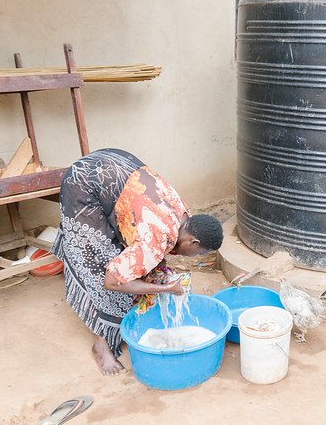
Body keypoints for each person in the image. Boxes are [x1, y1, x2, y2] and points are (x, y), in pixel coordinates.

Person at [50, 148, 223, 375]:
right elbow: (112, 281)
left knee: (135, 261)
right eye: (200, 253)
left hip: (113, 167)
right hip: (84, 183)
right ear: (193, 241)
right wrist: (161, 288)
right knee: (99, 261)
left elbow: (147, 241)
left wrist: (156, 275)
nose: (197, 258)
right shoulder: (157, 237)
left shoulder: (183, 216)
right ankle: (101, 346)